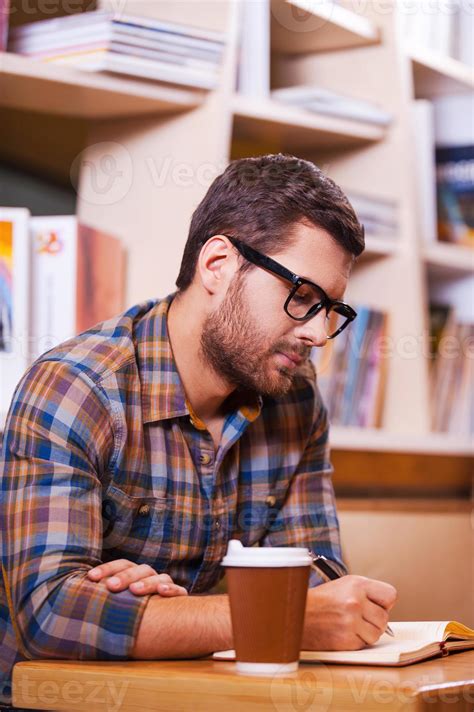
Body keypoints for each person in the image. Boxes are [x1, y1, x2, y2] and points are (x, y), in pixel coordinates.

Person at [0, 154, 397, 707]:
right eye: (302, 297)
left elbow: (316, 586)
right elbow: (49, 616)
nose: (317, 333)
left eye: (331, 309)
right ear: (217, 264)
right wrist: (254, 615)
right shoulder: (76, 389)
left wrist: (166, 613)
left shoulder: (296, 400)